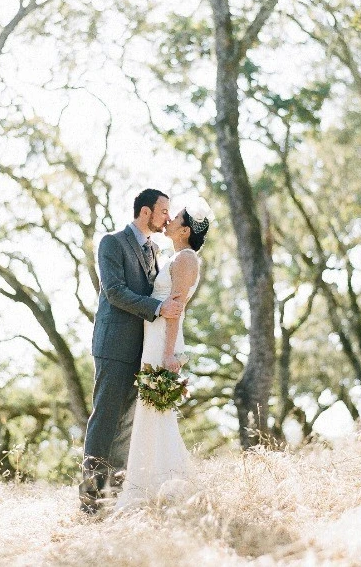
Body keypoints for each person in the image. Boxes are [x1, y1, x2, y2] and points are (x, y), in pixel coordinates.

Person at [79, 189, 184, 514]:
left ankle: (114, 497)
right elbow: (114, 291)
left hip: (141, 352)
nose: (167, 217)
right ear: (145, 211)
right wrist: (158, 307)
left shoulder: (153, 249)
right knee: (105, 419)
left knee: (127, 424)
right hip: (114, 346)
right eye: (163, 210)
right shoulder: (112, 242)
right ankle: (90, 501)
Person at [117, 198, 212, 509]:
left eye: (176, 218)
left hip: (163, 343)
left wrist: (169, 354)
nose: (168, 219)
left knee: (156, 413)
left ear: (184, 230)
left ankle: (169, 486)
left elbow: (175, 309)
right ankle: (150, 486)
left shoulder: (186, 259)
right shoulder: (174, 257)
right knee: (150, 414)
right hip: (153, 341)